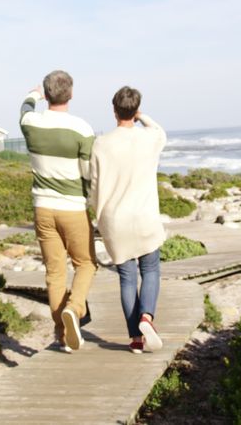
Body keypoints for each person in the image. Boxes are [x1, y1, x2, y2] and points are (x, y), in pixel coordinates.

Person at [19, 70, 97, 352]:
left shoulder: (31, 123)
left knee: (55, 272)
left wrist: (33, 94)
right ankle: (74, 309)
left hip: (43, 208)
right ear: (71, 94)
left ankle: (64, 335)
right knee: (86, 264)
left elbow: (24, 108)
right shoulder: (82, 129)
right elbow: (88, 173)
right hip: (73, 208)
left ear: (47, 94)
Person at [89, 86, 166, 354]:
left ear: (113, 110)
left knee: (127, 278)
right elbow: (161, 132)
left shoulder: (101, 143)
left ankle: (135, 338)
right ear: (135, 109)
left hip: (115, 219)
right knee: (151, 269)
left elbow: (95, 185)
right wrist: (142, 116)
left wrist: (97, 216)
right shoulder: (149, 139)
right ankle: (147, 317)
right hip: (144, 217)